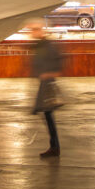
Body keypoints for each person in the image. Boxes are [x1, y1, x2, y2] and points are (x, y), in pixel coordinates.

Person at [27, 18, 63, 158]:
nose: (31, 33)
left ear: (40, 30)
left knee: (48, 115)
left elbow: (60, 65)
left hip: (47, 85)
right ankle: (54, 146)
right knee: (48, 116)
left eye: (34, 30)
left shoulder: (49, 46)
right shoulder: (41, 45)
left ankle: (55, 147)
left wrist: (48, 74)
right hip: (43, 85)